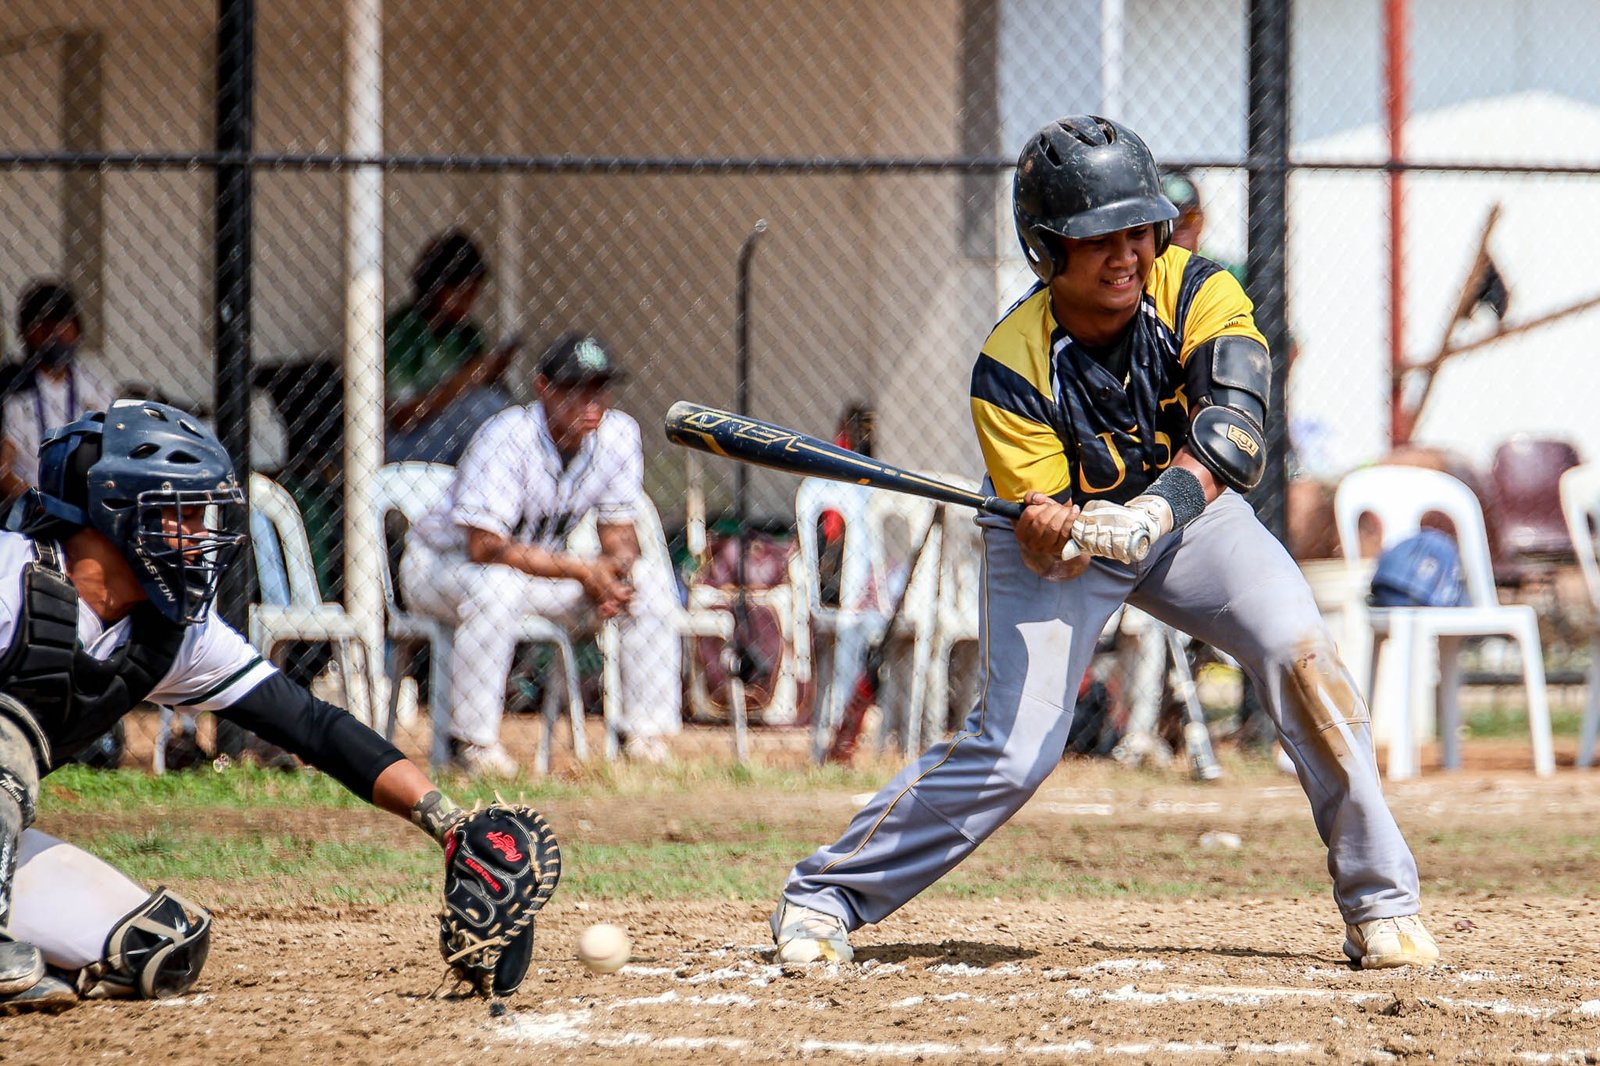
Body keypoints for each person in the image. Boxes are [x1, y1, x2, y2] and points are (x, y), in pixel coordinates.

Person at [769, 115, 1438, 971]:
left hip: (1189, 513)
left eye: (1138, 229)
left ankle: (1381, 906)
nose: (1128, 253)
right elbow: (1051, 552)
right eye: (1099, 238)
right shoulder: (1009, 365)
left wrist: (1154, 512)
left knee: (1300, 649)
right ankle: (826, 894)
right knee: (1015, 752)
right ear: (1049, 250)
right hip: (1063, 533)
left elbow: (1233, 435)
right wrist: (1052, 532)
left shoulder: (1200, 291)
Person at [0, 399, 554, 1010]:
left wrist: (448, 825)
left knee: (153, 948)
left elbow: (312, 724)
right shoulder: (11, 580)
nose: (197, 535)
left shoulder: (170, 635)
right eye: (177, 513)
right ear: (109, 516)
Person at [401, 333, 683, 773]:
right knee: (495, 587)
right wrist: (582, 569)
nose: (591, 401)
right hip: (442, 568)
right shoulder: (507, 435)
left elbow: (619, 532)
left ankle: (644, 740)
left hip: (536, 573)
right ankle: (471, 746)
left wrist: (616, 575)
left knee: (648, 584)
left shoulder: (618, 434)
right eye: (575, 388)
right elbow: (484, 546)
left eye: (599, 387)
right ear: (543, 388)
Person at [386, 230, 517, 464]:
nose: (467, 306)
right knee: (478, 406)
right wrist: (465, 381)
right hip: (404, 445)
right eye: (461, 295)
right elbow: (402, 418)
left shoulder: (467, 334)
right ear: (435, 286)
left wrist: (493, 373)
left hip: (454, 439)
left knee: (497, 404)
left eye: (472, 296)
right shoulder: (400, 331)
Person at [0, 282, 115, 506]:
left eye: (61, 324)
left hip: (85, 505)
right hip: (27, 509)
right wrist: (37, 505)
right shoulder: (12, 389)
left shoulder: (96, 387)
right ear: (25, 332)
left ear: (77, 329)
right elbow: (3, 467)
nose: (52, 334)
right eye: (42, 325)